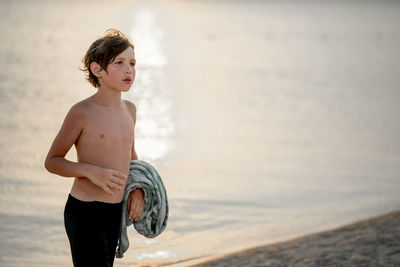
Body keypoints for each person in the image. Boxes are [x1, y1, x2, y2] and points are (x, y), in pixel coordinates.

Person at [44, 29, 145, 267]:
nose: (129, 69)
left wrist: (137, 189)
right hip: (85, 211)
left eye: (132, 63)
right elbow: (52, 161)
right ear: (97, 69)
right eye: (119, 63)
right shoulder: (82, 112)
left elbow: (130, 156)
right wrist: (90, 171)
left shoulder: (130, 110)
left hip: (115, 211)